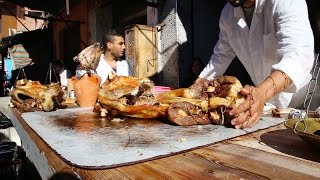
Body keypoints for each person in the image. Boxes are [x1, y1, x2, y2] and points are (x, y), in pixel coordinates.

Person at [193, 0, 315, 129]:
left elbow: (298, 56)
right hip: (267, 104)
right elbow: (222, 55)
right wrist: (198, 86)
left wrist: (262, 92)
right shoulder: (228, 13)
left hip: (306, 102)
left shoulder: (285, 2)